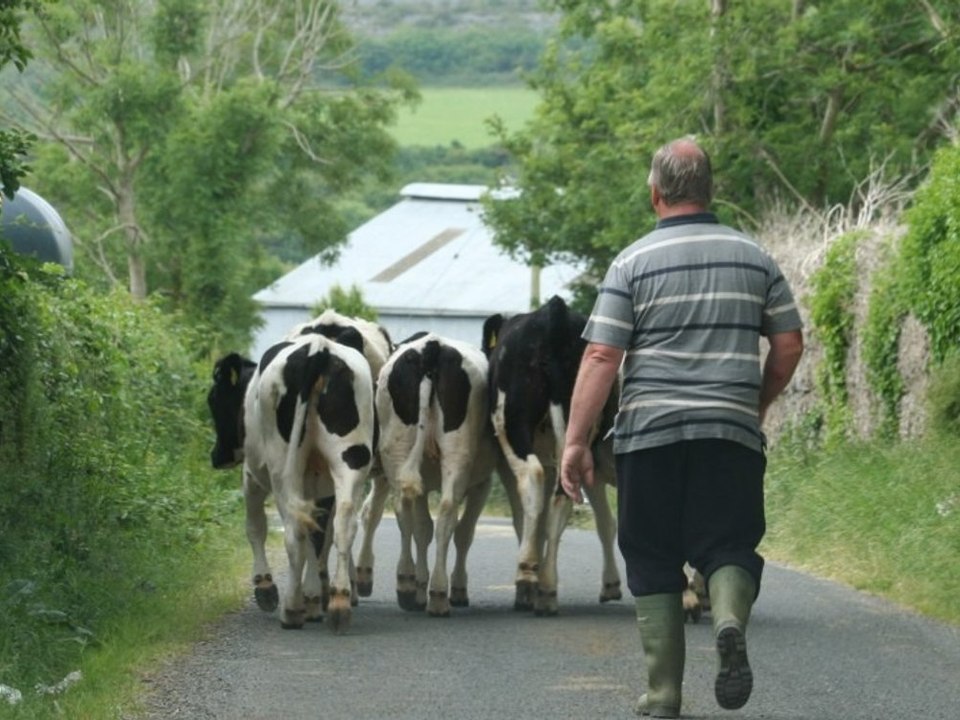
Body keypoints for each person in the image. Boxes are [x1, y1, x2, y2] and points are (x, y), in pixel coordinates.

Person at [560, 137, 804, 718]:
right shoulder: (755, 258)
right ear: (710, 190)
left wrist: (575, 441)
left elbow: (600, 358)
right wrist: (755, 402)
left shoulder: (632, 263)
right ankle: (725, 619)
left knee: (650, 554)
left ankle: (664, 694)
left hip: (650, 437)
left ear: (655, 194)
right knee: (730, 545)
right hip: (731, 434)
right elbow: (789, 345)